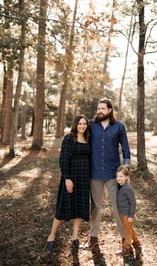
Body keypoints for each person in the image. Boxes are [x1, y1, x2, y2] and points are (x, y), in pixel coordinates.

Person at [88, 98, 131, 249]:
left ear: (110, 110)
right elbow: (77, 132)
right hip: (94, 173)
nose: (100, 111)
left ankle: (125, 237)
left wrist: (125, 169)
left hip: (113, 174)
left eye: (103, 109)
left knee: (118, 206)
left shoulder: (119, 126)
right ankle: (93, 237)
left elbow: (125, 148)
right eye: (98, 108)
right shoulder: (91, 125)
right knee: (96, 207)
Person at [47, 115, 90, 252]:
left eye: (84, 124)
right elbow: (63, 159)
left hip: (84, 178)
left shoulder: (88, 139)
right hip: (71, 178)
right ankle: (51, 235)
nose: (82, 126)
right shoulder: (69, 139)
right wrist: (67, 178)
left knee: (79, 208)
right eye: (80, 123)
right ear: (75, 125)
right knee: (63, 208)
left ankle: (75, 236)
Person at [116, 165, 142, 258]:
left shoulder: (128, 188)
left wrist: (131, 216)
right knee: (129, 228)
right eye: (117, 176)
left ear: (126, 177)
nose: (118, 178)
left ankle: (126, 248)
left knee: (127, 231)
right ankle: (136, 242)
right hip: (122, 213)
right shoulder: (119, 186)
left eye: (121, 176)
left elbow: (133, 202)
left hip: (127, 214)